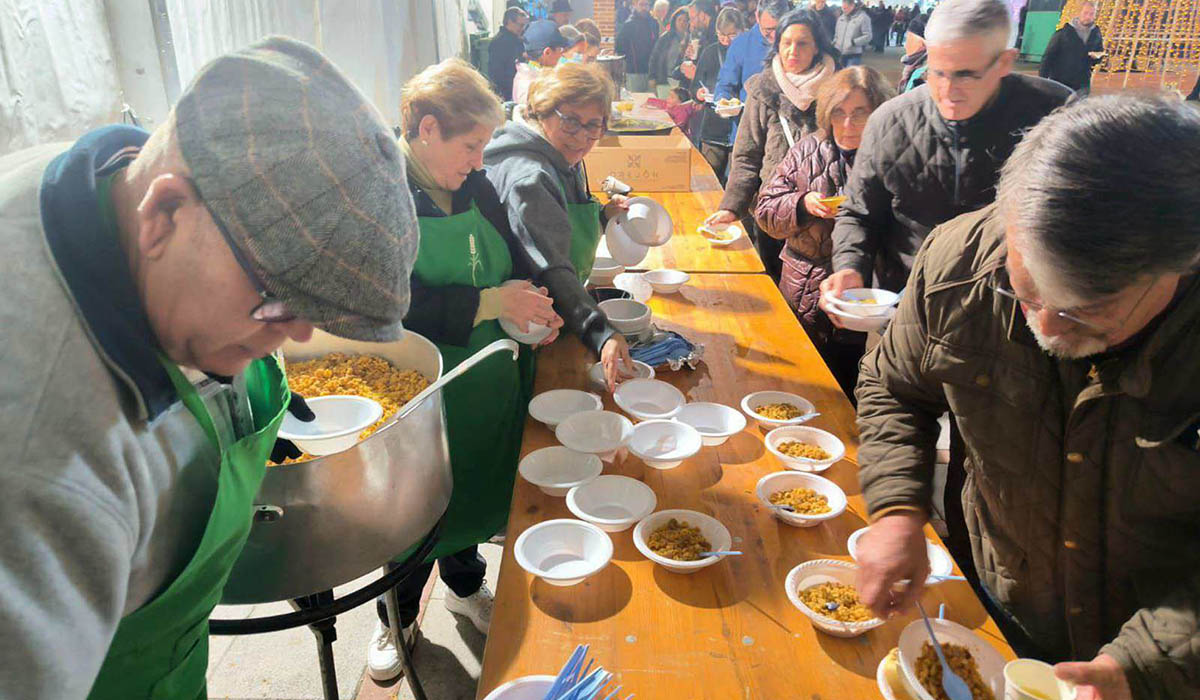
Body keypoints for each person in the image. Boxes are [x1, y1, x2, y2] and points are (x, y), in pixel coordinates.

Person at [0, 36, 419, 699]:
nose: (299, 335)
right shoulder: (42, 464)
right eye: (279, 300)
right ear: (164, 213)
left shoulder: (123, 182)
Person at [853, 95, 1200, 700]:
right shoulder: (961, 259)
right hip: (999, 608)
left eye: (1085, 312)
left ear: (1181, 265)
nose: (1050, 327)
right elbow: (894, 385)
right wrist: (897, 508)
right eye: (1027, 293)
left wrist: (1144, 663)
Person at [365, 59, 560, 680]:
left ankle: (465, 584)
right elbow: (381, 302)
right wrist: (487, 303)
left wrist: (530, 298)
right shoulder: (382, 193)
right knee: (415, 506)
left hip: (480, 375)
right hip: (418, 384)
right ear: (427, 129)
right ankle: (394, 618)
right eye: (471, 145)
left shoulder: (471, 184)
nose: (481, 161)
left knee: (471, 487)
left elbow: (510, 252)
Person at [822, 0, 1070, 299]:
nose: (948, 91)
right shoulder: (891, 122)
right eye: (937, 73)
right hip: (908, 307)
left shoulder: (1055, 116)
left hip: (1011, 313)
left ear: (1005, 61)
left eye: (966, 75)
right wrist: (850, 266)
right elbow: (859, 212)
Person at [486, 64, 636, 391]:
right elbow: (549, 265)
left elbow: (558, 220)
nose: (582, 136)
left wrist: (601, 215)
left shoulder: (562, 154)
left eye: (593, 125)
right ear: (541, 113)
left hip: (562, 305)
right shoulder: (531, 177)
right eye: (571, 121)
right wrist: (600, 332)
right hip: (528, 322)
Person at [754, 65, 893, 397]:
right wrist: (802, 204)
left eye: (859, 114)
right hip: (801, 285)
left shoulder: (890, 156)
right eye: (839, 113)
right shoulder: (807, 149)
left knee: (842, 388)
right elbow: (765, 209)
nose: (847, 125)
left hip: (858, 299)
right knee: (791, 383)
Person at [707, 9, 837, 282]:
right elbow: (747, 156)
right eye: (786, 43)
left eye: (802, 43)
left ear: (817, 47)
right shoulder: (762, 90)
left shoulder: (837, 90)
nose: (793, 51)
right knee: (775, 287)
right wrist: (732, 206)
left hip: (825, 219)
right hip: (774, 215)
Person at [693, 6, 748, 183]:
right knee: (709, 180)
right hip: (713, 126)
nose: (726, 41)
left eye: (732, 36)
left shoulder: (749, 52)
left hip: (740, 127)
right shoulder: (710, 52)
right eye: (721, 35)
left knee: (737, 182)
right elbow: (696, 82)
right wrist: (698, 93)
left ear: (742, 30)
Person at [713, 0, 791, 104]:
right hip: (749, 116)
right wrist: (723, 101)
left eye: (779, 28)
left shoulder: (796, 42)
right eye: (768, 30)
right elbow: (725, 86)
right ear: (757, 17)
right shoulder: (741, 44)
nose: (774, 36)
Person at [1039, 0, 1105, 94]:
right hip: (1061, 83)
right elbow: (1047, 58)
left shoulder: (1096, 33)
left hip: (1082, 85)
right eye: (1085, 13)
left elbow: (1099, 53)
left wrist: (1097, 57)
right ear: (1079, 13)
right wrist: (1042, 81)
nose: (1088, 17)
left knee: (1079, 108)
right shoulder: (1063, 33)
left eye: (1091, 14)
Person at [513, 19, 571, 105]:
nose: (562, 55)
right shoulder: (533, 87)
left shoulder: (530, 72)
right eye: (561, 49)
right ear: (547, 52)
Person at [617, 0, 661, 93]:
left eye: (646, 5)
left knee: (651, 102)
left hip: (652, 73)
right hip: (634, 72)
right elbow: (619, 48)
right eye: (641, 4)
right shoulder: (628, 24)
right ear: (635, 5)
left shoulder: (654, 23)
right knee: (636, 101)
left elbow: (658, 46)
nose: (644, 8)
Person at [489, 6, 531, 101]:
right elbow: (497, 72)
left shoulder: (516, 39)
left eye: (524, 26)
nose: (522, 29)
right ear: (509, 22)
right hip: (506, 91)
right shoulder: (500, 42)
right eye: (520, 25)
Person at [650, 7, 691, 97]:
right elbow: (654, 57)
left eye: (685, 20)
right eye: (679, 20)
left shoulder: (691, 39)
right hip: (664, 79)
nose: (682, 23)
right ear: (674, 21)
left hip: (682, 83)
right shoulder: (665, 38)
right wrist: (652, 77)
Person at [834, 0, 872, 66]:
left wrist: (853, 42)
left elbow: (868, 36)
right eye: (842, 8)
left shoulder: (863, 18)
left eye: (845, 8)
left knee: (850, 75)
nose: (843, 10)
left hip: (854, 55)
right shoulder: (840, 18)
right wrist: (834, 44)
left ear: (852, 6)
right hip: (839, 54)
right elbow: (836, 35)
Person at [896, 13, 927, 93]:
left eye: (911, 39)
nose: (906, 45)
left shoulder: (923, 73)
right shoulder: (912, 65)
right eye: (907, 38)